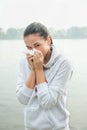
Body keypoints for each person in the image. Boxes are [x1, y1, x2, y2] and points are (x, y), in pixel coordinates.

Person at [16, 22, 72, 130]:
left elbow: (47, 102)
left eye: (37, 45)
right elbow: (22, 99)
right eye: (29, 47)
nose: (33, 52)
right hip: (31, 127)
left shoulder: (64, 63)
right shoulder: (23, 62)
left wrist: (39, 69)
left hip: (57, 127)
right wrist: (33, 70)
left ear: (48, 40)